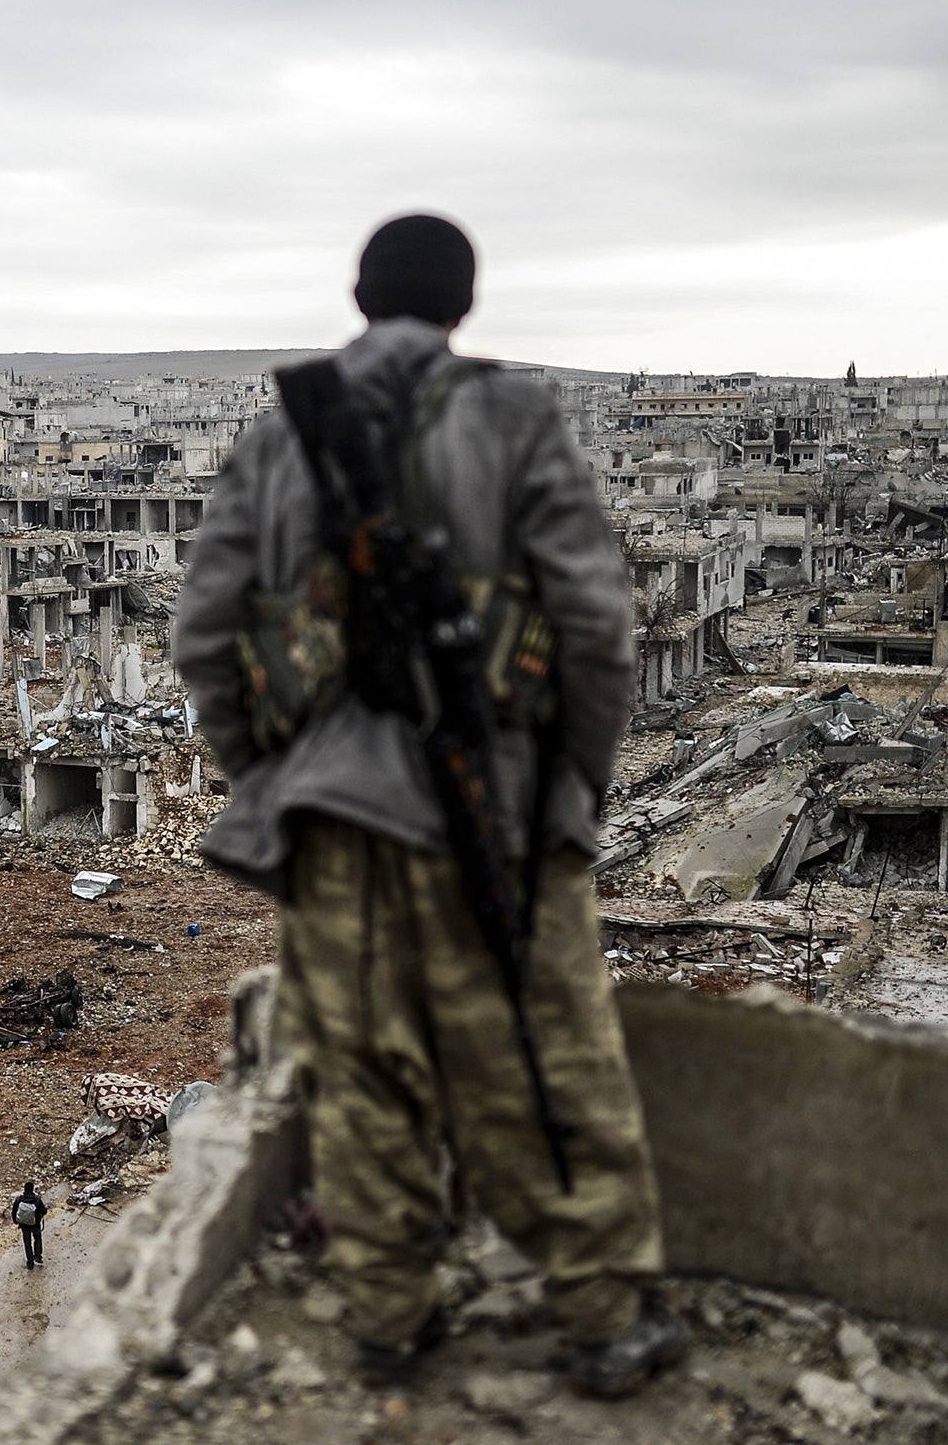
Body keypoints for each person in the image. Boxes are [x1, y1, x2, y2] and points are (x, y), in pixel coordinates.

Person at [172, 213, 684, 1398]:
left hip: (334, 824)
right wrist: (570, 787)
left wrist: (272, 778)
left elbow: (203, 637)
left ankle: (387, 1319)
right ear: (463, 305)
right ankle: (604, 1317)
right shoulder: (513, 419)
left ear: (359, 296)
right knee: (541, 1055)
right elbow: (597, 628)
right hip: (493, 809)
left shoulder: (279, 433)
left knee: (362, 1068)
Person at [11, 1181, 47, 1269]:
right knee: (37, 1239)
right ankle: (38, 1256)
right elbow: (44, 1211)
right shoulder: (37, 1199)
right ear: (32, 1189)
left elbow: (14, 1212)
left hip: (24, 1225)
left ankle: (30, 1263)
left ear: (24, 1189)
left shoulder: (19, 1199)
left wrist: (16, 1221)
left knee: (27, 1243)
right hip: (35, 1224)